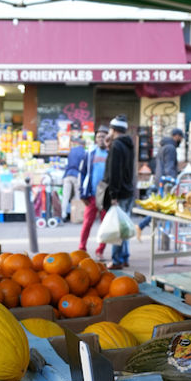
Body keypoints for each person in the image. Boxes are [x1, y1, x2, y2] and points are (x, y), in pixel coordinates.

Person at [103, 115, 135, 270]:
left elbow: (115, 171)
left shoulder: (117, 146)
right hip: (129, 190)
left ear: (113, 129)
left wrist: (113, 195)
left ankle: (116, 260)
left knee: (117, 228)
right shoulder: (128, 144)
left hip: (119, 192)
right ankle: (124, 257)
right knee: (125, 227)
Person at [78, 125, 109, 259]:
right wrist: (82, 193)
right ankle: (82, 248)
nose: (101, 139)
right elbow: (83, 173)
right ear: (95, 139)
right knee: (87, 223)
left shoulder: (110, 154)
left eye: (103, 136)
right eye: (98, 137)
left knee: (105, 225)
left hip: (106, 196)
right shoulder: (90, 154)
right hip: (91, 195)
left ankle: (100, 250)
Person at [60, 131, 86, 221]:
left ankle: (63, 214)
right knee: (78, 196)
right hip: (76, 175)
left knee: (65, 196)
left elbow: (68, 164)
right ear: (84, 145)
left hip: (67, 175)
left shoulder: (72, 151)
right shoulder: (84, 153)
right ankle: (76, 216)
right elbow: (83, 167)